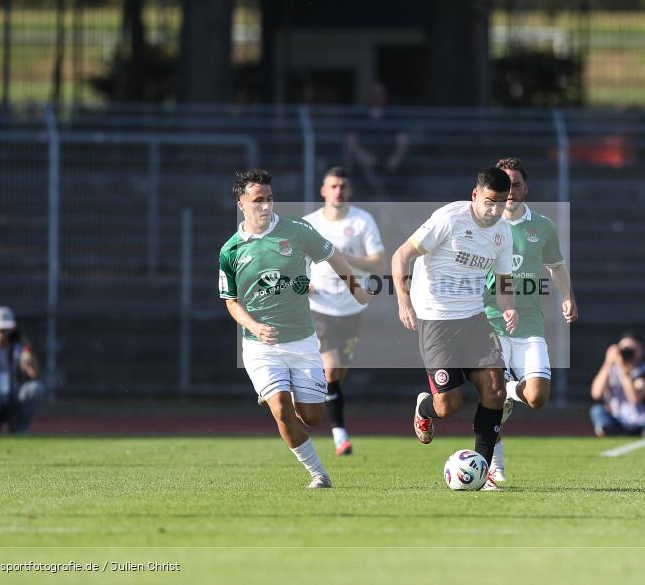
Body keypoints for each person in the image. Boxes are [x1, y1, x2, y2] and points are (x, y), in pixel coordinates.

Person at [219, 169, 372, 489]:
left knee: (312, 417)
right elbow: (231, 302)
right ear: (241, 204)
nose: (265, 205)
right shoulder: (230, 250)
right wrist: (254, 326)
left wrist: (355, 288)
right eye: (257, 200)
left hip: (302, 341)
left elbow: (332, 255)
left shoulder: (297, 231)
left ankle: (285, 395)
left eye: (270, 198)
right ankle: (319, 474)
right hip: (260, 346)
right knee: (281, 410)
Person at [391, 167, 517, 491]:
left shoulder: (503, 232)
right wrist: (404, 302)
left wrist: (509, 306)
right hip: (435, 321)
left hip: (473, 319)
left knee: (496, 391)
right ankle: (424, 408)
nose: (494, 210)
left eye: (501, 203)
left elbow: (504, 280)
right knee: (448, 406)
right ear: (475, 194)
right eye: (489, 201)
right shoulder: (449, 219)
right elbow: (401, 256)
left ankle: (483, 472)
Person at [484, 157, 578, 483]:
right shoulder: (483, 224)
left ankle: (509, 391)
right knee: (492, 397)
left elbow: (556, 266)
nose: (510, 191)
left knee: (537, 397)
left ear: (526, 188)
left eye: (516, 184)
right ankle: (495, 468)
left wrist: (568, 296)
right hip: (490, 321)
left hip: (529, 324)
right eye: (504, 185)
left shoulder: (543, 226)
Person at [304, 166, 385, 457]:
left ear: (349, 191)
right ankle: (340, 435)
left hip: (352, 307)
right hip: (320, 306)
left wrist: (343, 257)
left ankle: (311, 392)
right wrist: (303, 282)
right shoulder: (310, 224)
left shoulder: (362, 221)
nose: (338, 191)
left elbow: (379, 263)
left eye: (343, 186)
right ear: (323, 191)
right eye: (333, 186)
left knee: (337, 374)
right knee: (331, 368)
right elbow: (295, 261)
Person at [589, 332, 645, 438]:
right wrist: (608, 362)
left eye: (632, 349)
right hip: (617, 420)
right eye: (623, 349)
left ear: (640, 351)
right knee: (597, 410)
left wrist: (624, 372)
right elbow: (596, 394)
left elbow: (634, 399)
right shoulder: (610, 371)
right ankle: (608, 429)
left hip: (643, 421)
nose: (627, 352)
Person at [344, 82, 410, 200]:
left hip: (389, 158)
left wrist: (395, 159)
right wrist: (363, 156)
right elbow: (350, 140)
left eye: (380, 94)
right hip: (365, 158)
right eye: (375, 94)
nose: (378, 97)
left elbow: (403, 140)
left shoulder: (394, 116)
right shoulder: (360, 116)